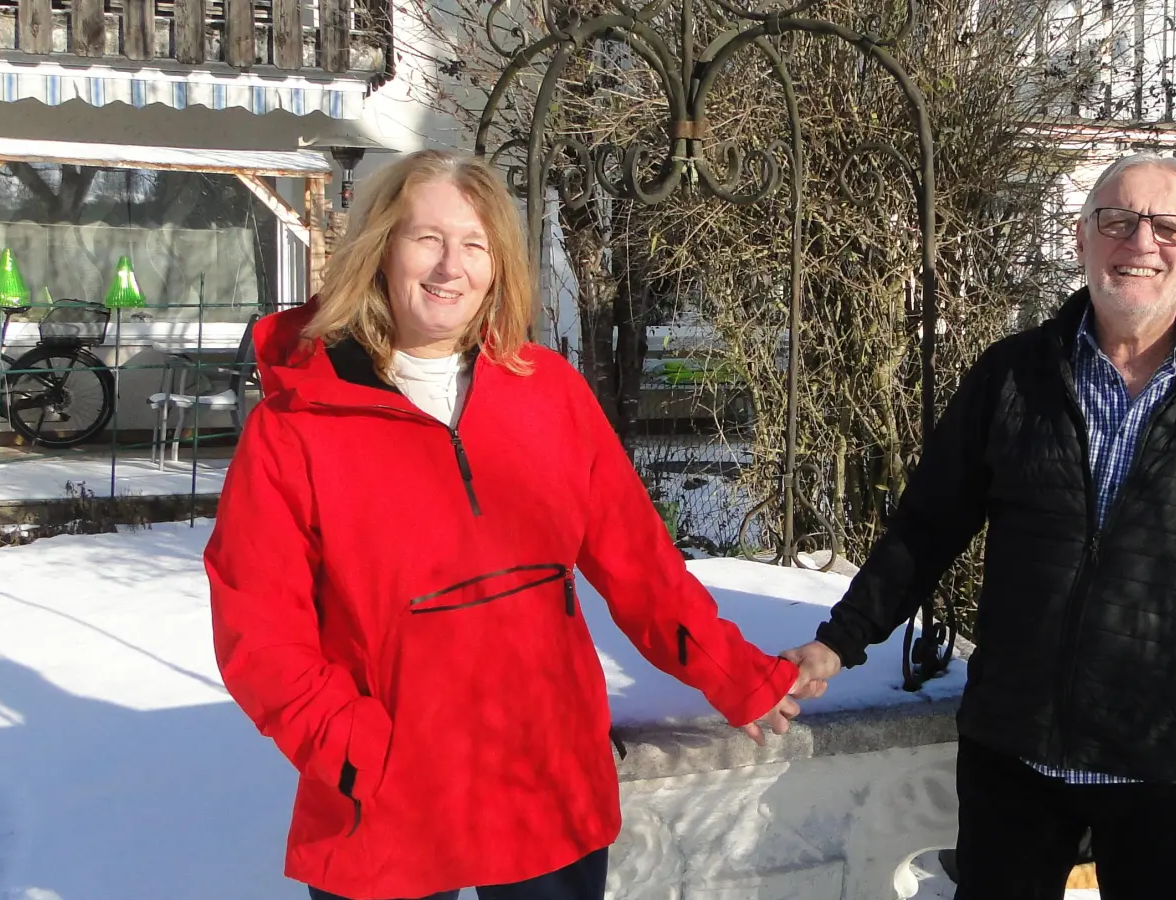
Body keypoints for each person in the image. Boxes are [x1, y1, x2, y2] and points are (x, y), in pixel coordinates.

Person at [784, 153, 1176, 899]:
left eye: (1168, 226)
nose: (1141, 244)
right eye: (1118, 221)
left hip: (1168, 757)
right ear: (1081, 238)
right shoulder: (1011, 376)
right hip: (1016, 754)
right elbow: (926, 526)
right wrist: (839, 641)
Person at [206, 149, 804, 900]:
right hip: (389, 802)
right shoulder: (297, 423)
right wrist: (360, 755)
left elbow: (638, 563)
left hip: (541, 781)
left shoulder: (547, 393)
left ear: (498, 266)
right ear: (381, 249)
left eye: (474, 244)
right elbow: (259, 636)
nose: (448, 266)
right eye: (425, 238)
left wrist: (737, 676)